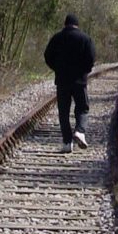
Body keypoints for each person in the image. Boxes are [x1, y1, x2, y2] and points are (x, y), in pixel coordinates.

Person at [44, 13, 96, 153]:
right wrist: (85, 70)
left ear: (65, 24)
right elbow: (91, 57)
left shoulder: (57, 38)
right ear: (77, 25)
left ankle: (67, 143)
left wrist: (57, 68)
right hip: (79, 81)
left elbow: (47, 56)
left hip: (62, 81)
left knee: (63, 112)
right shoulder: (85, 39)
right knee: (82, 108)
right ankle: (80, 131)